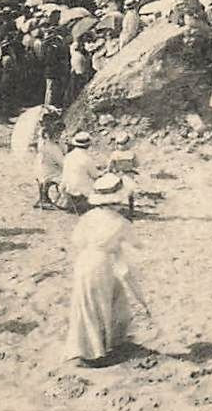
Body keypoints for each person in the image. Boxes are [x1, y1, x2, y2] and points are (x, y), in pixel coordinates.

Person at [65, 204, 152, 364]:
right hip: (102, 263)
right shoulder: (120, 222)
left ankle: (112, 341)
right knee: (101, 304)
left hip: (84, 260)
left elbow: (76, 240)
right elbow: (137, 243)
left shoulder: (89, 216)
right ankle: (95, 351)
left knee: (89, 303)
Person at [59, 131, 98, 212]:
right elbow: (95, 175)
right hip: (83, 194)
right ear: (88, 145)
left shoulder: (68, 156)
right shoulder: (87, 158)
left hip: (69, 192)